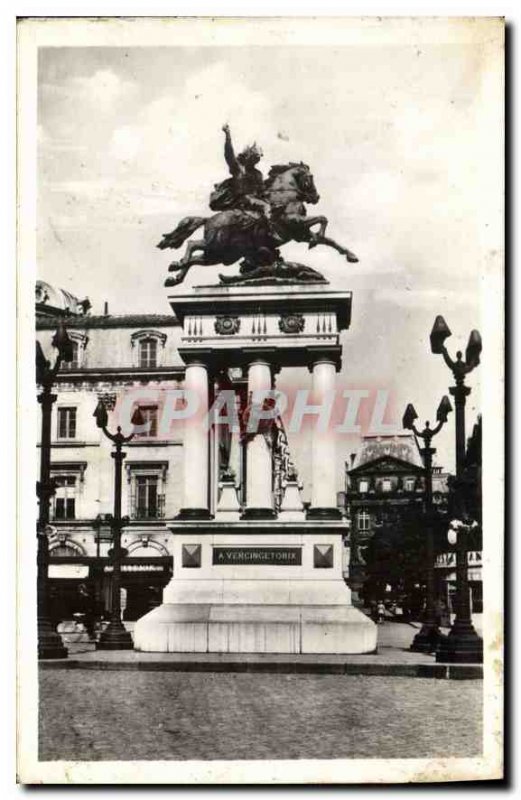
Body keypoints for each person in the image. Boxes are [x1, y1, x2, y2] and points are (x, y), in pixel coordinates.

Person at [209, 124, 269, 217]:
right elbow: (229, 154)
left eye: (257, 158)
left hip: (253, 201)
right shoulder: (238, 168)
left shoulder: (258, 174)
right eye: (254, 158)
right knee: (266, 207)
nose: (257, 160)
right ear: (248, 157)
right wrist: (228, 136)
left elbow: (262, 191)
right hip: (241, 201)